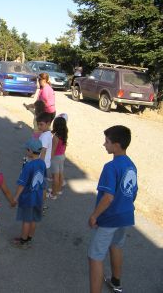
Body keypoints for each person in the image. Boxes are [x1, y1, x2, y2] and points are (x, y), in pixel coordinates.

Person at [88, 125, 137, 293]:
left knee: (95, 256)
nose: (104, 145)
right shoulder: (131, 166)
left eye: (107, 142)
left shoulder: (111, 167)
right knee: (116, 246)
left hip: (109, 219)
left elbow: (108, 197)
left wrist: (94, 216)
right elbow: (132, 192)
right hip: (125, 216)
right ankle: (116, 282)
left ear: (116, 145)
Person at [12, 138, 46, 249]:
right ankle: (29, 237)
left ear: (30, 151)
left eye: (27, 149)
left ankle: (23, 241)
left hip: (28, 197)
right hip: (38, 196)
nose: (26, 151)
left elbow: (22, 184)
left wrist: (16, 197)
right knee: (34, 219)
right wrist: (44, 197)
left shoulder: (28, 166)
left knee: (26, 220)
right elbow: (43, 181)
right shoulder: (42, 163)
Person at [49, 116, 68, 199]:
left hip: (55, 158)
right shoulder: (64, 134)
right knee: (61, 174)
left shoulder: (55, 137)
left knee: (55, 177)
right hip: (62, 156)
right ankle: (58, 190)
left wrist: (49, 159)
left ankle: (53, 194)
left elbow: (53, 150)